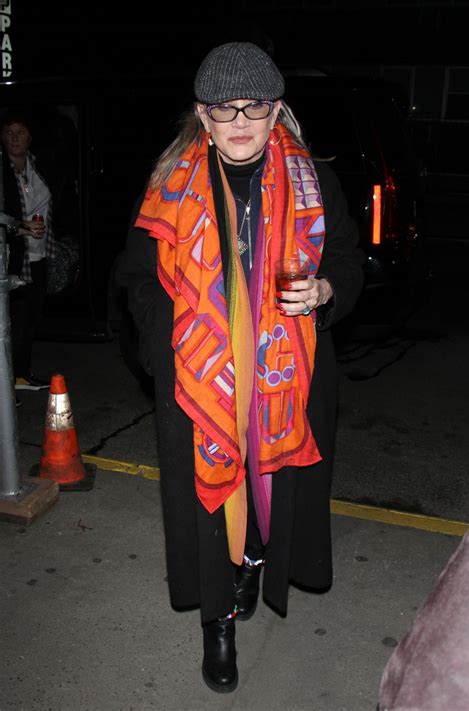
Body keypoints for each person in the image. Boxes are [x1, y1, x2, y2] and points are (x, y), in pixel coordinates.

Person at [117, 41, 364, 693]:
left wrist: (327, 292)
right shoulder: (170, 186)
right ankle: (217, 623)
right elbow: (136, 279)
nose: (241, 121)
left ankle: (254, 559)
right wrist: (166, 349)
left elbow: (347, 260)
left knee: (269, 493)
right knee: (210, 504)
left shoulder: (315, 180)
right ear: (203, 116)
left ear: (277, 109)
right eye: (225, 109)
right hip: (202, 382)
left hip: (287, 380)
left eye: (255, 106)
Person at [1, 108, 55, 394]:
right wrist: (20, 227)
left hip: (39, 254)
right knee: (15, 322)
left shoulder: (37, 166)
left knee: (32, 319)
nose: (14, 138)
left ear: (29, 137)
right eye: (9, 132)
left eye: (20, 132)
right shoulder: (2, 173)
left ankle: (22, 374)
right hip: (14, 257)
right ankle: (10, 383)